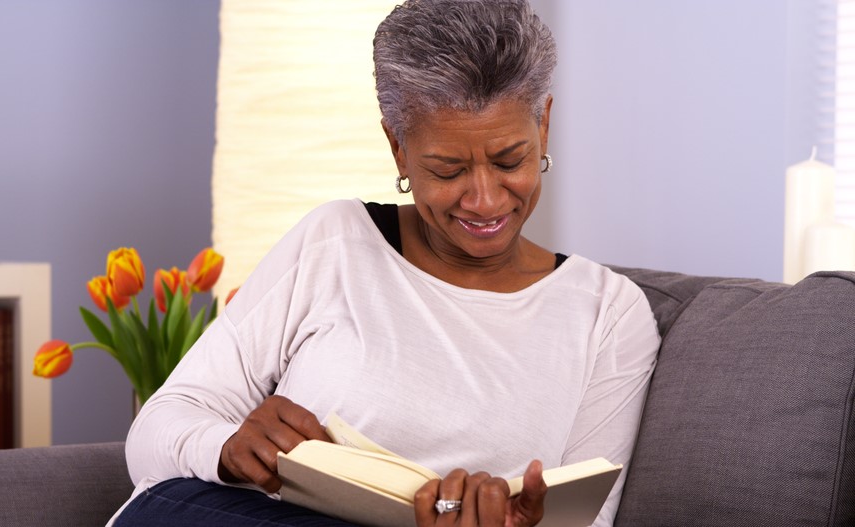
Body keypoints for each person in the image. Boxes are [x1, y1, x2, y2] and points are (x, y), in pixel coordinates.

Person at [111, 0, 660, 525]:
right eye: (448, 170)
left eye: (509, 160)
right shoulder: (336, 242)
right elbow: (157, 432)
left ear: (543, 124)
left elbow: (586, 517)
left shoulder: (607, 314)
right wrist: (227, 448)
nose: (486, 200)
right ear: (397, 146)